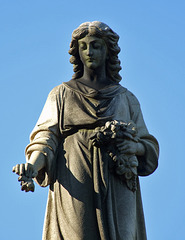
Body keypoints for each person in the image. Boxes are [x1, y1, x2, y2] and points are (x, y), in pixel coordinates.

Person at [13, 21, 159, 240]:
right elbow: (45, 139)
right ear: (77, 51)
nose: (89, 51)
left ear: (108, 50)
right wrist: (32, 167)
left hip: (117, 180)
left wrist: (135, 146)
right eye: (84, 46)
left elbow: (149, 147)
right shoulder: (61, 94)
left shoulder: (126, 99)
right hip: (75, 176)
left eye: (96, 45)